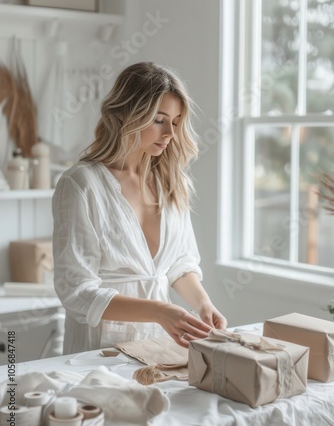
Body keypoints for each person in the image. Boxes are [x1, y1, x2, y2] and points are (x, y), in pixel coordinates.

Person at [52, 62, 227, 355]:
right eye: (159, 119)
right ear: (127, 114)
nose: (170, 132)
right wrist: (160, 311)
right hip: (98, 351)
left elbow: (179, 264)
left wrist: (203, 304)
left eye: (176, 120)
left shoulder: (171, 181)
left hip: (158, 345)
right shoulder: (82, 184)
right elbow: (77, 291)